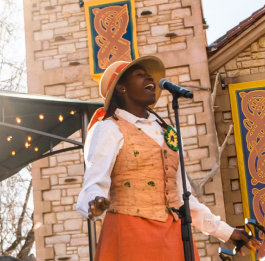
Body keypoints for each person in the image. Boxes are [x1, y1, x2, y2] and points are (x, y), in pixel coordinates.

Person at [74, 56, 250, 260]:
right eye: (139, 74)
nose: (149, 77)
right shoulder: (108, 128)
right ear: (121, 88)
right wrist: (95, 202)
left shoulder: (166, 131)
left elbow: (182, 196)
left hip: (174, 236)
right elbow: (93, 182)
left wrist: (225, 232)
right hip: (130, 233)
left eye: (149, 74)